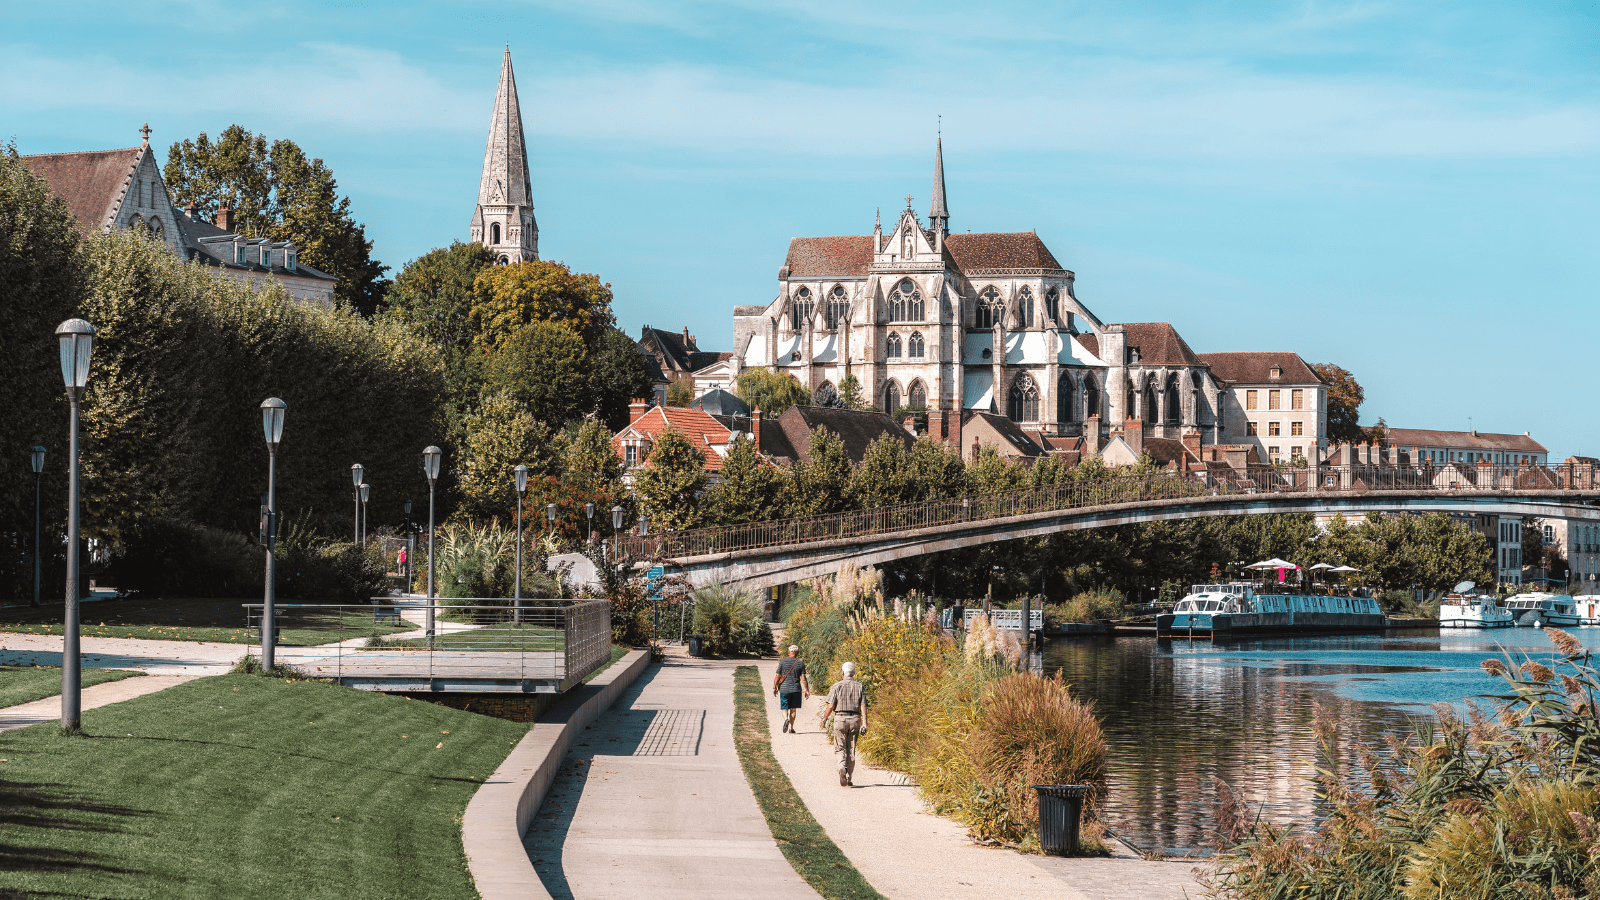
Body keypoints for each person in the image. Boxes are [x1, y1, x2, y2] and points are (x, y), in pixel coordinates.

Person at [820, 661, 868, 787]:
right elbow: (863, 705)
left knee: (840, 748)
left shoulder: (836, 686)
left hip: (840, 719)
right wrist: (864, 723)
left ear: (842, 672)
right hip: (855, 719)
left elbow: (831, 705)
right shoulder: (860, 686)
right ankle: (849, 777)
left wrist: (824, 719)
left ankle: (842, 767)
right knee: (851, 749)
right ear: (854, 673)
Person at [772, 644, 809, 733]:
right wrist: (807, 690)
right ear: (797, 653)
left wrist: (775, 687)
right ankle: (791, 728)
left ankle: (786, 719)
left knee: (784, 708)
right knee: (793, 709)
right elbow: (803, 678)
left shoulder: (783, 662)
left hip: (784, 689)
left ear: (789, 652)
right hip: (796, 689)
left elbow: (777, 676)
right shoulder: (800, 663)